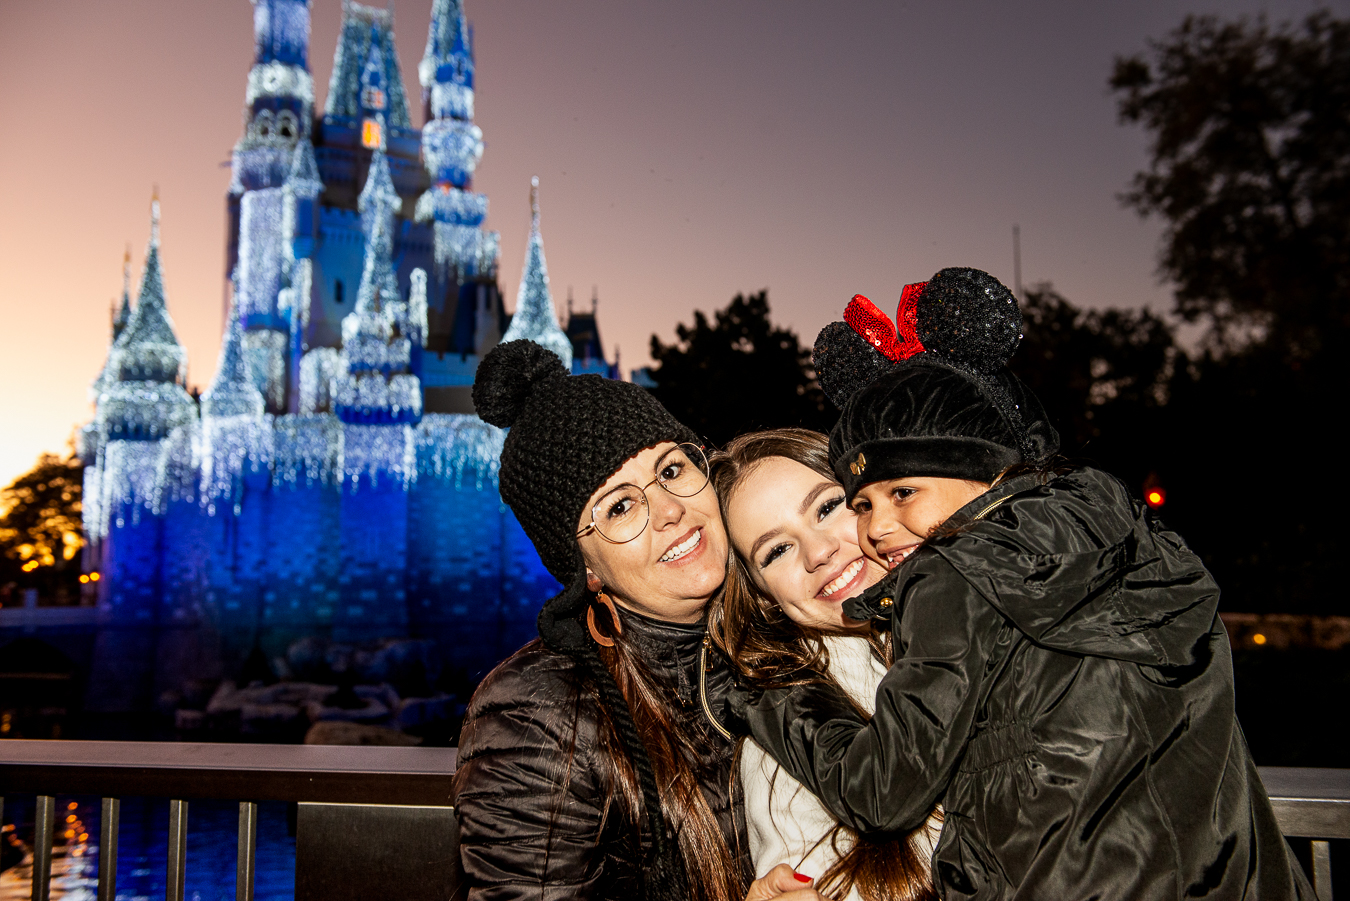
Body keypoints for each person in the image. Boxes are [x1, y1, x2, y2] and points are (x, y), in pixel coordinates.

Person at [736, 270, 1314, 900]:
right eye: (863, 503)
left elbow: (883, 793)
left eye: (899, 493)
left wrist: (762, 698)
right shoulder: (1135, 540)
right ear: (758, 591)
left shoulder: (948, 572)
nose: (877, 528)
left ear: (987, 473)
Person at [454, 340, 828, 901]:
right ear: (585, 569)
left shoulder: (791, 629)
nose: (671, 510)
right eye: (621, 506)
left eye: (672, 469)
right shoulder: (537, 715)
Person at [710, 428, 941, 901]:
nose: (819, 553)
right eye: (776, 551)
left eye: (826, 507)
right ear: (766, 599)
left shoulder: (1000, 619)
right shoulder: (787, 760)